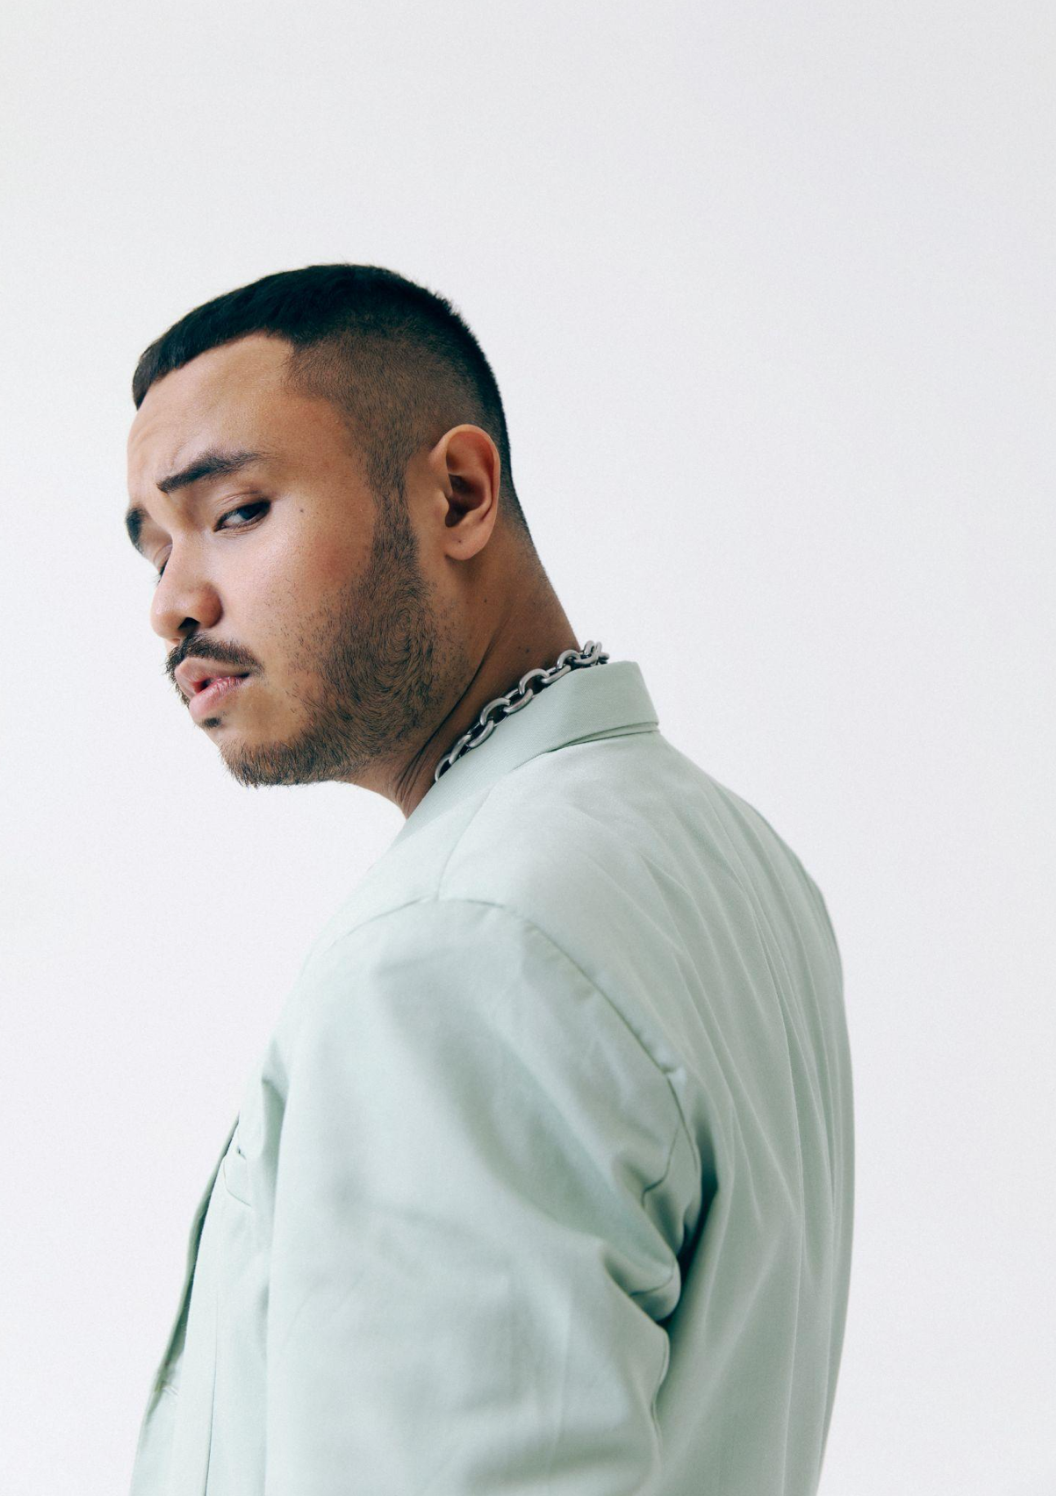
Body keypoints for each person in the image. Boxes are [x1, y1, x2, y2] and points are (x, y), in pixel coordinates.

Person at [123, 263, 854, 1496]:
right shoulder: (728, 853)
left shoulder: (457, 940)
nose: (174, 605)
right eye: (153, 547)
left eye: (237, 511)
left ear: (457, 492)